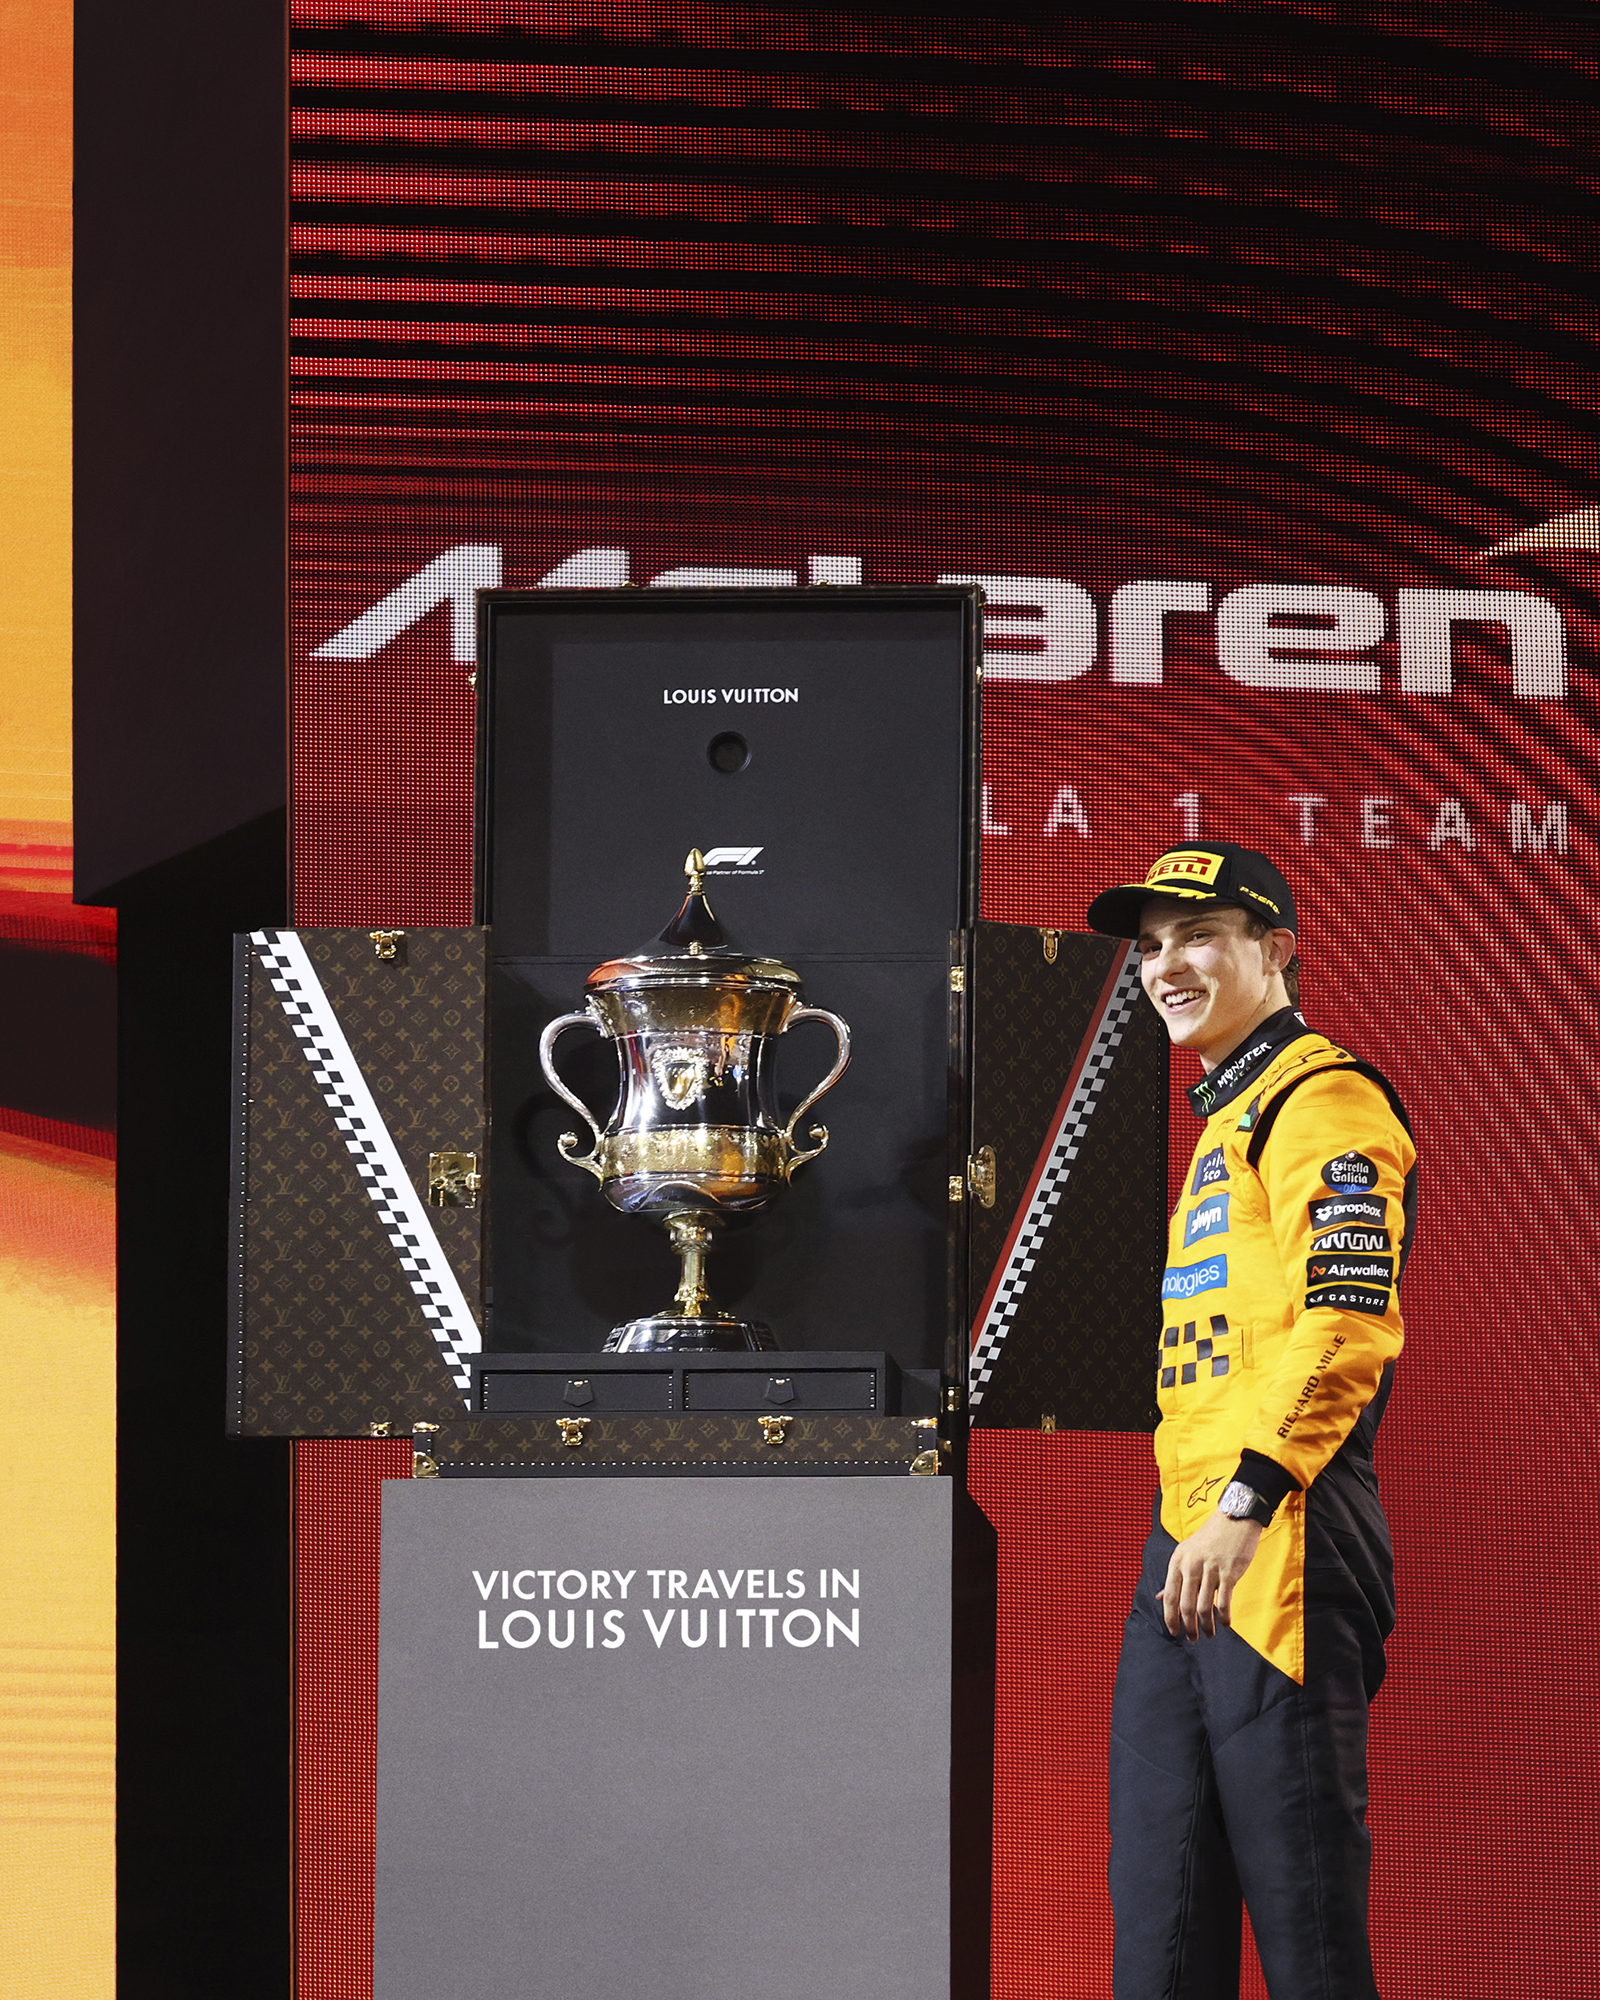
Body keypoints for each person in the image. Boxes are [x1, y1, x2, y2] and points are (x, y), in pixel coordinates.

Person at [1085, 842, 1416, 2000]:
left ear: (1274, 949)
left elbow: (1345, 1321)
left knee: (1303, 1926)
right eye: (1150, 945)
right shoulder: (1226, 1117)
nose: (1165, 965)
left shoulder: (1321, 1098)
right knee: (1158, 1924)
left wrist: (1246, 1498)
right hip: (1189, 1539)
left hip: (1279, 1527)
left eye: (1198, 935)